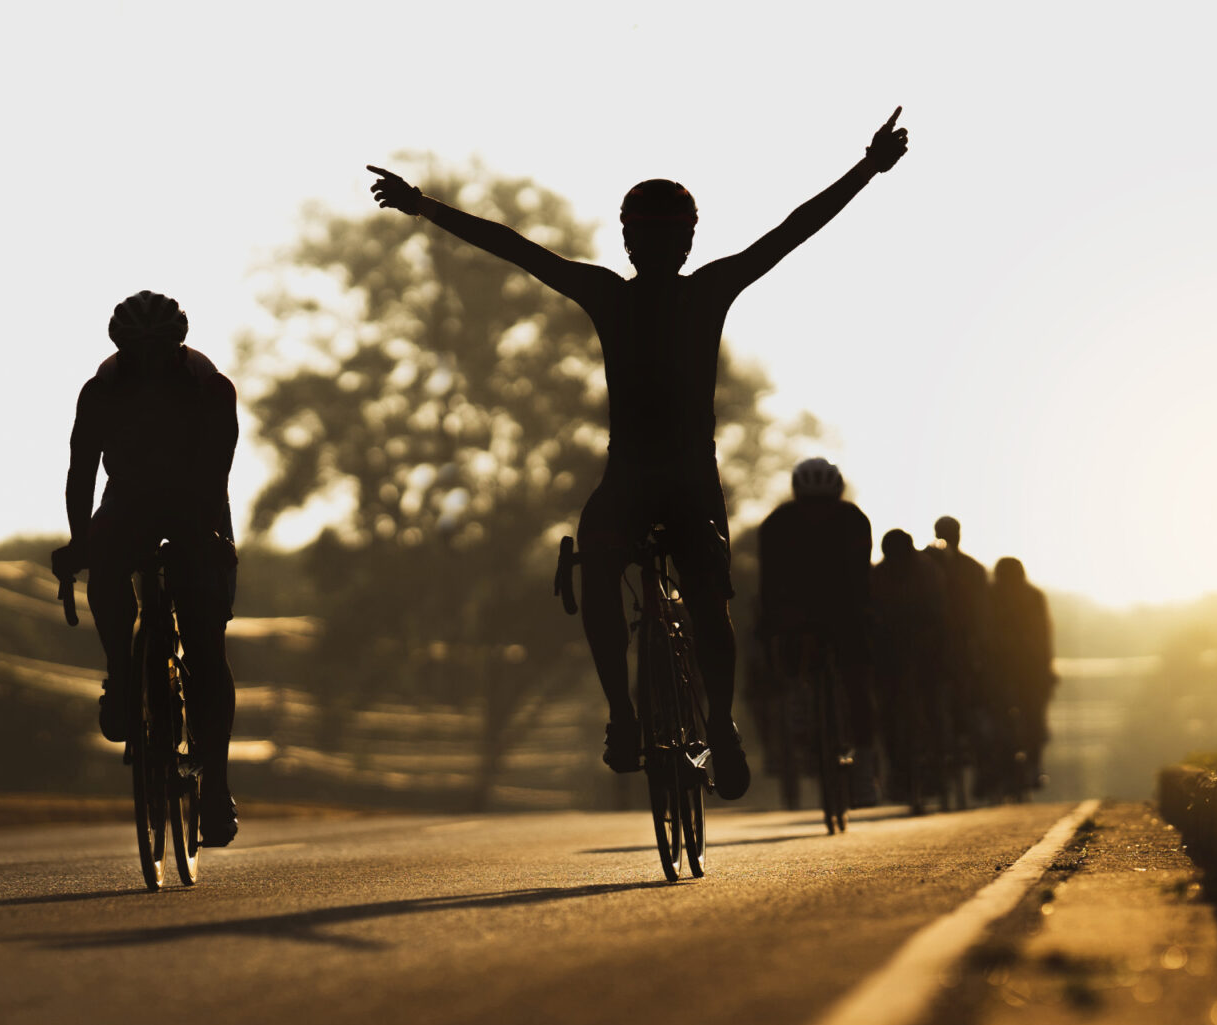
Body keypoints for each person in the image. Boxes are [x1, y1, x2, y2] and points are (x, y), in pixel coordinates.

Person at [367, 110, 911, 798]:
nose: (651, 245)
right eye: (645, 234)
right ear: (666, 241)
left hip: (650, 478)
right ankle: (685, 725)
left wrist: (423, 206)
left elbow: (515, 248)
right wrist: (866, 168)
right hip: (672, 478)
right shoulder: (701, 288)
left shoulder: (617, 291)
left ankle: (656, 723)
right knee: (687, 596)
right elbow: (790, 232)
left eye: (658, 235)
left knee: (625, 578)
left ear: (667, 241)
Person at [51, 291, 242, 846]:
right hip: (130, 498)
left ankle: (215, 787)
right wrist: (78, 541)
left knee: (206, 645)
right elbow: (81, 471)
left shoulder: (211, 389)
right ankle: (121, 673)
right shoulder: (102, 391)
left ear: (178, 347)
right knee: (105, 567)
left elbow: (217, 472)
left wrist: (209, 539)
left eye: (159, 352)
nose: (150, 366)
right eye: (138, 355)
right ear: (121, 351)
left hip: (197, 500)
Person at [757, 458, 877, 804]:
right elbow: (770, 582)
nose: (817, 513)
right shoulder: (778, 524)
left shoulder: (854, 520)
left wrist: (867, 615)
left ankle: (865, 767)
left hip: (843, 606)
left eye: (823, 504)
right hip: (796, 608)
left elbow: (861, 579)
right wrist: (770, 623)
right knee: (787, 650)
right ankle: (798, 700)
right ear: (798, 497)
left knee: (857, 680)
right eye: (811, 504)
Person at [871, 528, 947, 809]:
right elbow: (872, 615)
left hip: (925, 644)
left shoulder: (928, 573)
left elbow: (941, 613)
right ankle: (898, 770)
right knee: (889, 711)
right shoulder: (878, 575)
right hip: (891, 648)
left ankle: (938, 763)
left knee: (931, 703)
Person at [923, 515, 991, 800]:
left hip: (954, 648)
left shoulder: (934, 564)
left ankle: (976, 765)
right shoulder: (967, 568)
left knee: (970, 704)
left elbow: (982, 613)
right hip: (945, 648)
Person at [985, 556, 1056, 792]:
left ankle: (1027, 763)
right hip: (1016, 668)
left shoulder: (992, 595)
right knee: (1031, 717)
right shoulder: (1032, 596)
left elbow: (1043, 636)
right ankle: (1032, 764)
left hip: (1020, 668)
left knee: (1028, 716)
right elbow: (1044, 636)